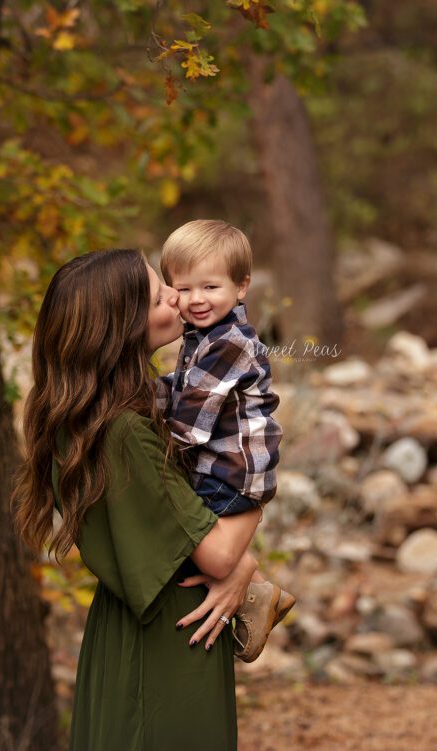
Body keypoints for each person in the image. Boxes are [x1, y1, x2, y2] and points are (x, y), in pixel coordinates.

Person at [13, 248, 261, 750]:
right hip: (169, 639)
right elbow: (218, 554)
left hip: (126, 629)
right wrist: (255, 491)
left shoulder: (79, 419)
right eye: (157, 297)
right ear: (119, 329)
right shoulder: (124, 431)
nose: (176, 295)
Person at [157, 219, 295, 662]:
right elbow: (183, 388)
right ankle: (258, 589)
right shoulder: (203, 336)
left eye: (211, 287)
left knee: (179, 536)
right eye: (184, 288)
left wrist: (149, 449)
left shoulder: (228, 343)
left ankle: (250, 586)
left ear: (242, 287)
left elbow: (190, 427)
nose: (197, 299)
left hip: (231, 471)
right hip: (225, 466)